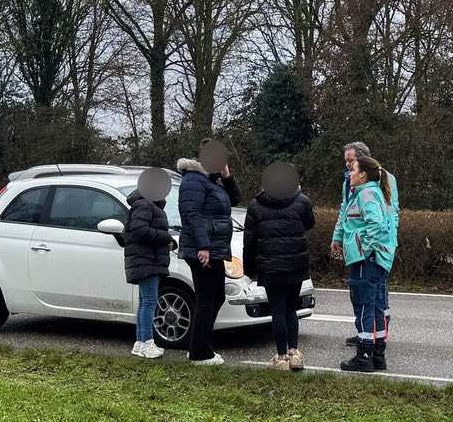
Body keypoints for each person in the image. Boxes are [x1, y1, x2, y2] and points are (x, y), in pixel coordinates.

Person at [330, 140, 400, 367]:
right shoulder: (359, 189)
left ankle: (365, 355)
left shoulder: (368, 193)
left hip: (368, 257)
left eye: (353, 164)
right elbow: (346, 212)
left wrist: (364, 248)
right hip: (374, 255)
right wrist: (338, 237)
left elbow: (381, 223)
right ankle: (377, 354)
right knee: (375, 305)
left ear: (363, 172)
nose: (349, 168)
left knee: (365, 304)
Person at [241, 161, 314, 371]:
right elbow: (310, 223)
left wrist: (249, 270)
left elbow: (249, 240)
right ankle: (295, 353)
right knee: (291, 309)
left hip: (270, 266)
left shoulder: (256, 205)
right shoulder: (302, 201)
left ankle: (281, 356)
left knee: (278, 311)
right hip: (295, 263)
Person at [176, 139, 240, 366]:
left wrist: (227, 175)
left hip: (215, 248)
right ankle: (199, 353)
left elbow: (235, 199)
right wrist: (203, 245)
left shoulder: (213, 181)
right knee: (206, 299)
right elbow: (190, 213)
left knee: (216, 296)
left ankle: (198, 345)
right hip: (203, 249)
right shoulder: (193, 180)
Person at [124, 167, 176, 359]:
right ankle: (147, 341)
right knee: (150, 302)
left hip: (147, 260)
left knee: (144, 302)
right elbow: (139, 230)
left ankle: (139, 342)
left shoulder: (147, 204)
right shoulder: (145, 205)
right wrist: (165, 237)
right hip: (146, 261)